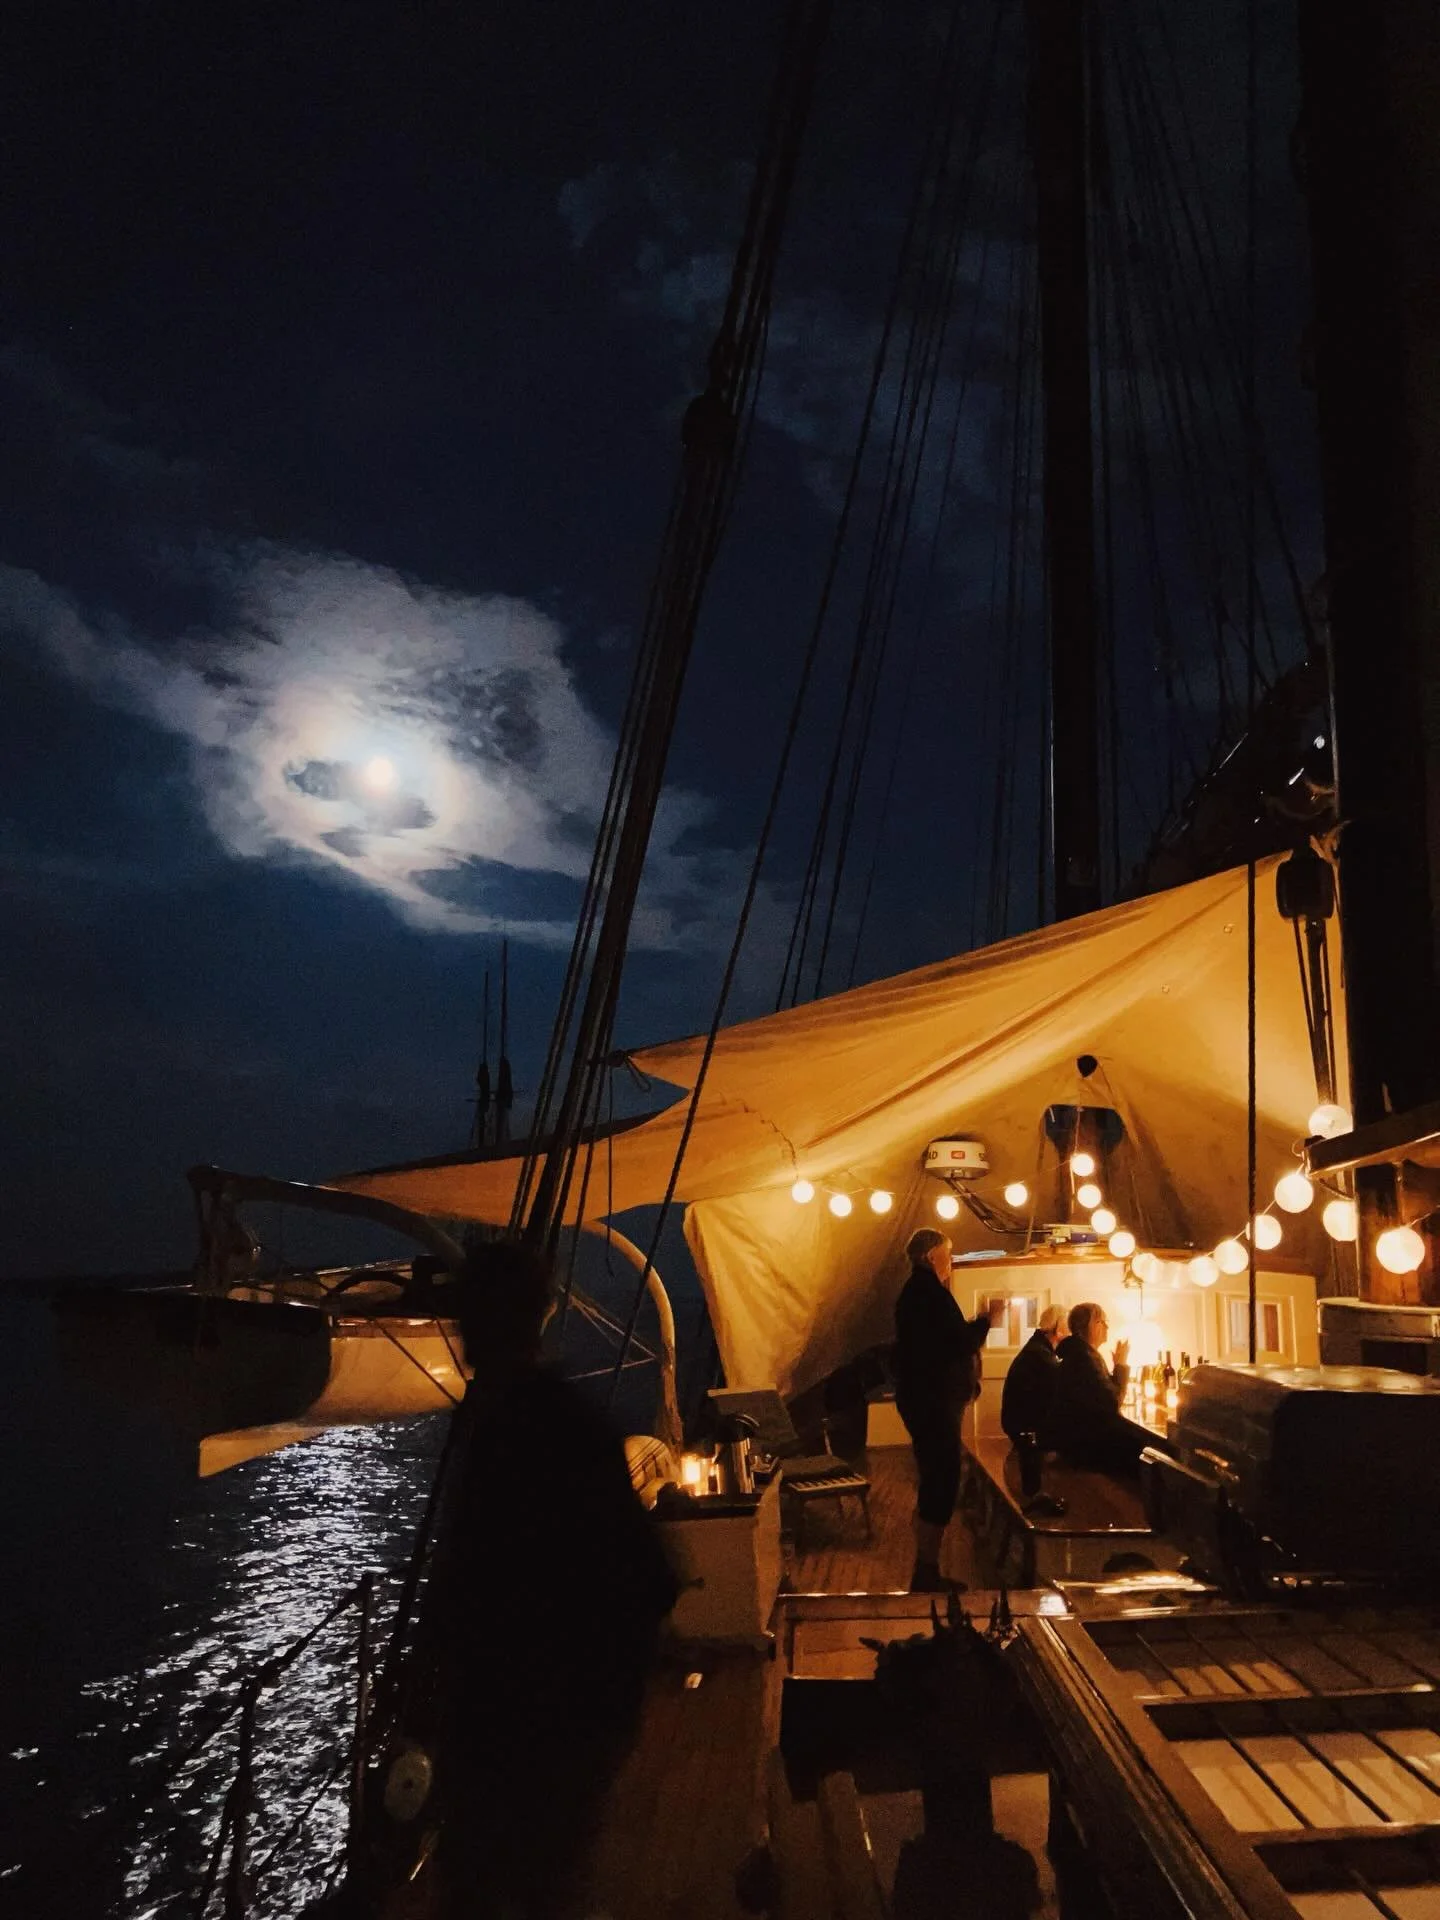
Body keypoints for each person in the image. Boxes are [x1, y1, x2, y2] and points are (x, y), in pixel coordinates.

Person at [433, 1240, 679, 1917]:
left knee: (511, 1883)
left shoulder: (509, 1431)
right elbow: (648, 1575)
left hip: (525, 1724)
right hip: (562, 1716)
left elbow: (481, 1587)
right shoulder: (568, 1425)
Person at [893, 1227, 1004, 1592]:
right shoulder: (928, 1295)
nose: (951, 1260)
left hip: (926, 1401)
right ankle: (925, 1572)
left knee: (936, 1479)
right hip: (934, 1403)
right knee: (941, 1480)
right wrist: (987, 1320)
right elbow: (958, 1343)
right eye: (947, 1253)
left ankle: (924, 1567)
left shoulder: (919, 1294)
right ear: (930, 1256)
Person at [1049, 1300, 1147, 1475]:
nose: (1107, 1328)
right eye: (1102, 1322)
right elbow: (1112, 1402)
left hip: (1077, 1438)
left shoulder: (1080, 1354)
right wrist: (1121, 1365)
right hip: (1086, 1444)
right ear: (1088, 1326)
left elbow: (1104, 1393)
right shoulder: (1084, 1358)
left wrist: (1117, 1367)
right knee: (1147, 1450)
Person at [1000, 1304, 1064, 1447]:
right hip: (1028, 1433)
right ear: (1059, 1329)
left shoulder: (1037, 1349)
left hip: (1019, 1428)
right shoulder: (1042, 1357)